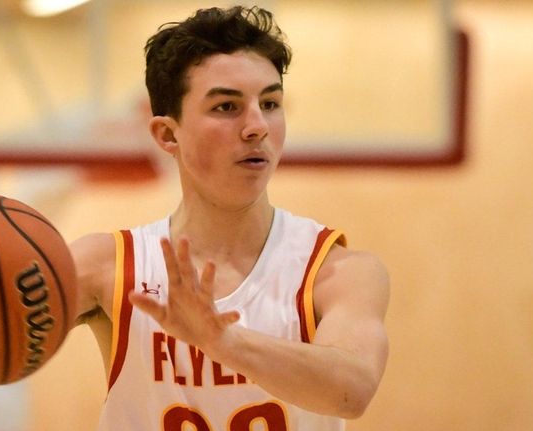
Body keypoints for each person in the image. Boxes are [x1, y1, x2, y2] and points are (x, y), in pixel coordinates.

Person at [68, 6, 389, 430]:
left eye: (270, 103)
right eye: (226, 107)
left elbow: (352, 389)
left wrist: (223, 342)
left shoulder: (337, 272)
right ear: (167, 134)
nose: (257, 126)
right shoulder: (103, 266)